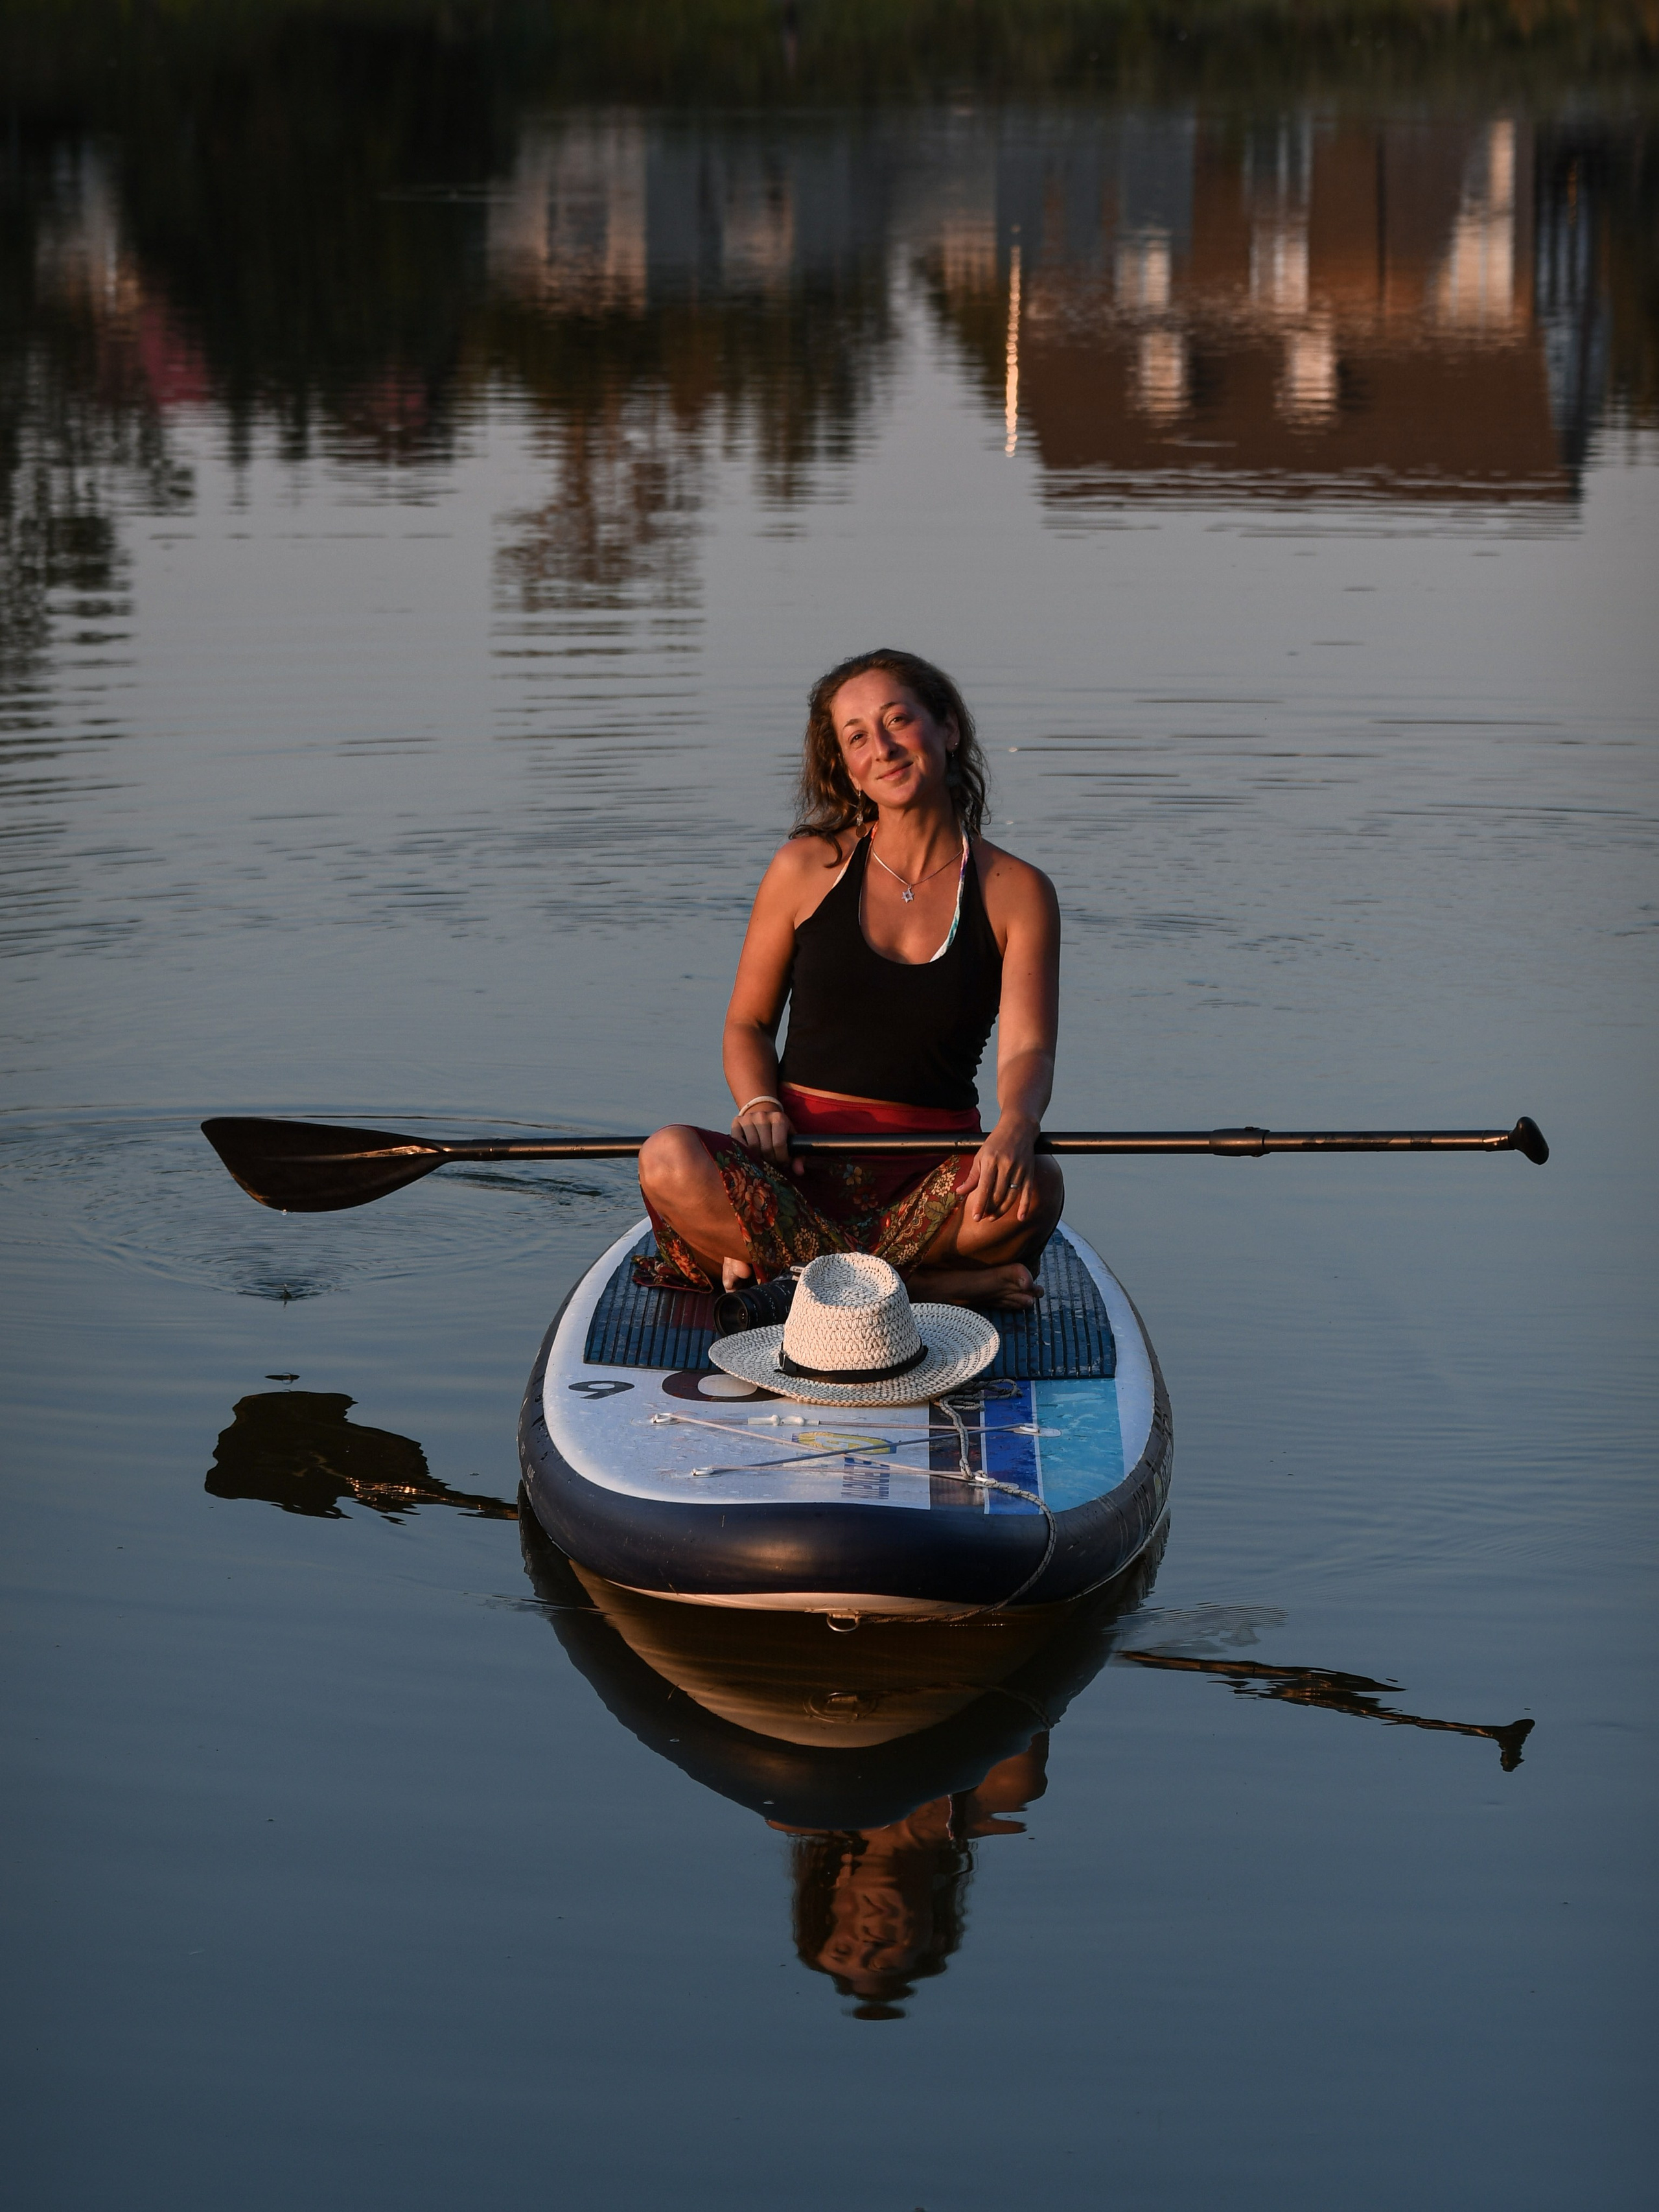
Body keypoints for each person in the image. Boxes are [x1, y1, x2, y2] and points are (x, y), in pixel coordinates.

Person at [636, 647, 1062, 1310]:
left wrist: (1017, 1122)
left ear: (948, 729)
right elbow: (747, 1024)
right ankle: (920, 1287)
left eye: (898, 720)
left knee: (1038, 1183)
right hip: (796, 1167)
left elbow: (1027, 1047)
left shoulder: (1018, 890)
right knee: (667, 1157)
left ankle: (793, 1275)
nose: (883, 748)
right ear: (844, 766)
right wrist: (759, 1104)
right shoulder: (804, 868)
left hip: (932, 1174)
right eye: (857, 735)